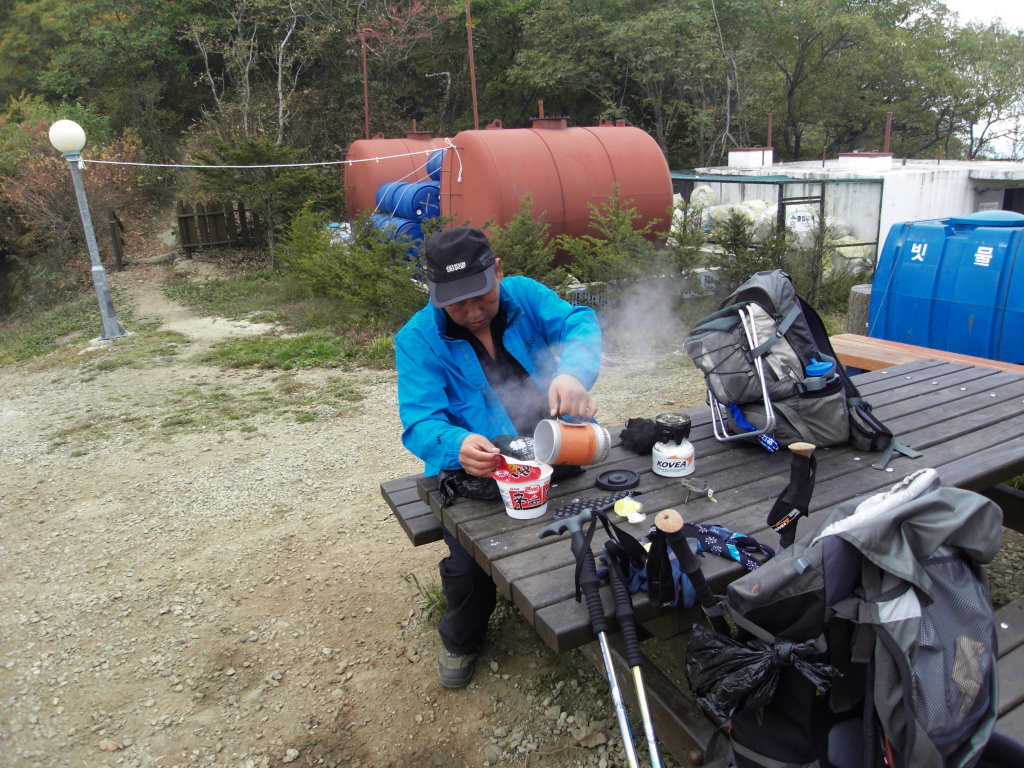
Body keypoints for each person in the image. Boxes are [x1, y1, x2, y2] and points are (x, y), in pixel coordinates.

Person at [395, 226, 602, 688]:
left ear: (499, 272)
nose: (470, 313)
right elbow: (420, 421)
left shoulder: (524, 294)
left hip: (549, 446)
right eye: (456, 303)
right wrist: (454, 444)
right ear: (433, 293)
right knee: (470, 565)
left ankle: (593, 603)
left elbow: (580, 323)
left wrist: (572, 373)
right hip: (479, 469)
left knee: (602, 519)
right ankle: (461, 639)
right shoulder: (416, 339)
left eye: (481, 297)